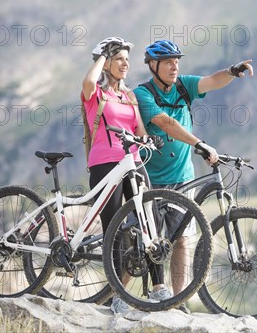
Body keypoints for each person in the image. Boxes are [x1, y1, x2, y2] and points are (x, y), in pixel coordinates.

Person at [134, 39, 254, 313]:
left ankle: (179, 301)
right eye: (168, 62)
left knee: (182, 240)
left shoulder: (183, 85)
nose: (175, 66)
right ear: (153, 66)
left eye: (177, 61)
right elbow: (166, 123)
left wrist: (233, 72)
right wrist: (199, 143)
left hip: (183, 179)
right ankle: (156, 292)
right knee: (151, 240)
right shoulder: (143, 94)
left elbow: (212, 80)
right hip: (151, 180)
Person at [82, 36, 172, 315]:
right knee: (116, 230)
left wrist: (149, 140)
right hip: (105, 164)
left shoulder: (129, 96)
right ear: (107, 62)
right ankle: (117, 295)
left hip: (132, 163)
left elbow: (140, 130)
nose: (125, 64)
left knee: (152, 221)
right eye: (119, 58)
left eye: (126, 59)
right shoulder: (96, 93)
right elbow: (88, 82)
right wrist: (102, 56)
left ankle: (159, 287)